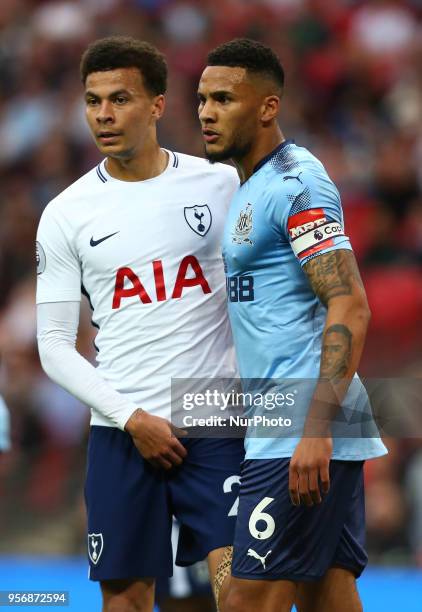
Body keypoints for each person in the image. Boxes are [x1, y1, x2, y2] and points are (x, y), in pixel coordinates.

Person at [36, 36, 244, 612]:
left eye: (120, 98)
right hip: (122, 430)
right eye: (93, 100)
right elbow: (53, 346)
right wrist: (131, 419)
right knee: (125, 599)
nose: (103, 114)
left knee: (243, 592)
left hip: (215, 418)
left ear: (157, 105)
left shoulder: (220, 185)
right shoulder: (66, 214)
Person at [197, 38, 387, 612]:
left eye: (224, 99)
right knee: (326, 592)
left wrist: (314, 429)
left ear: (268, 107)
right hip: (292, 422)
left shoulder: (296, 184)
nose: (206, 112)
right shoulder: (249, 185)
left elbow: (350, 303)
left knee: (246, 602)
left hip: (301, 423)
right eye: (202, 98)